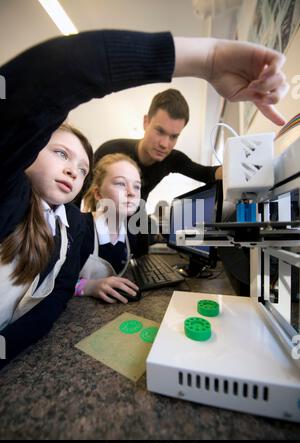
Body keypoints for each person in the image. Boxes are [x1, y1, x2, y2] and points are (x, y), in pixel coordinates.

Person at [0, 30, 288, 368]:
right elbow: (41, 89)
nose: (73, 172)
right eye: (60, 154)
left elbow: (211, 174)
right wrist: (207, 59)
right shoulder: (20, 200)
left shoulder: (70, 228)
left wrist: (258, 163)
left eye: (81, 166)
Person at [93, 88, 222, 203]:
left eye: (173, 136)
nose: (165, 144)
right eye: (160, 131)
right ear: (146, 122)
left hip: (138, 224)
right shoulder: (110, 151)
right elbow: (78, 195)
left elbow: (207, 173)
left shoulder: (173, 159)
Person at [77, 154, 141, 304]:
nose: (131, 192)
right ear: (98, 193)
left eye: (137, 186)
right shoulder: (79, 227)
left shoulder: (131, 235)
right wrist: (89, 286)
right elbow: (50, 281)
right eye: (120, 183)